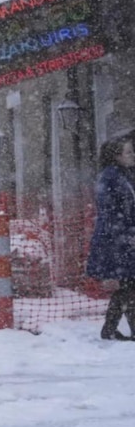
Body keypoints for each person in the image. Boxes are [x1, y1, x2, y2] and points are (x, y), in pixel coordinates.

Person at [86, 137, 135, 340]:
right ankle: (110, 330)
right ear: (116, 157)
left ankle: (109, 330)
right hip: (116, 243)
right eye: (128, 152)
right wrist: (126, 235)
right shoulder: (110, 178)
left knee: (128, 286)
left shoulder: (124, 176)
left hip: (123, 240)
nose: (133, 156)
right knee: (128, 285)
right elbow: (111, 213)